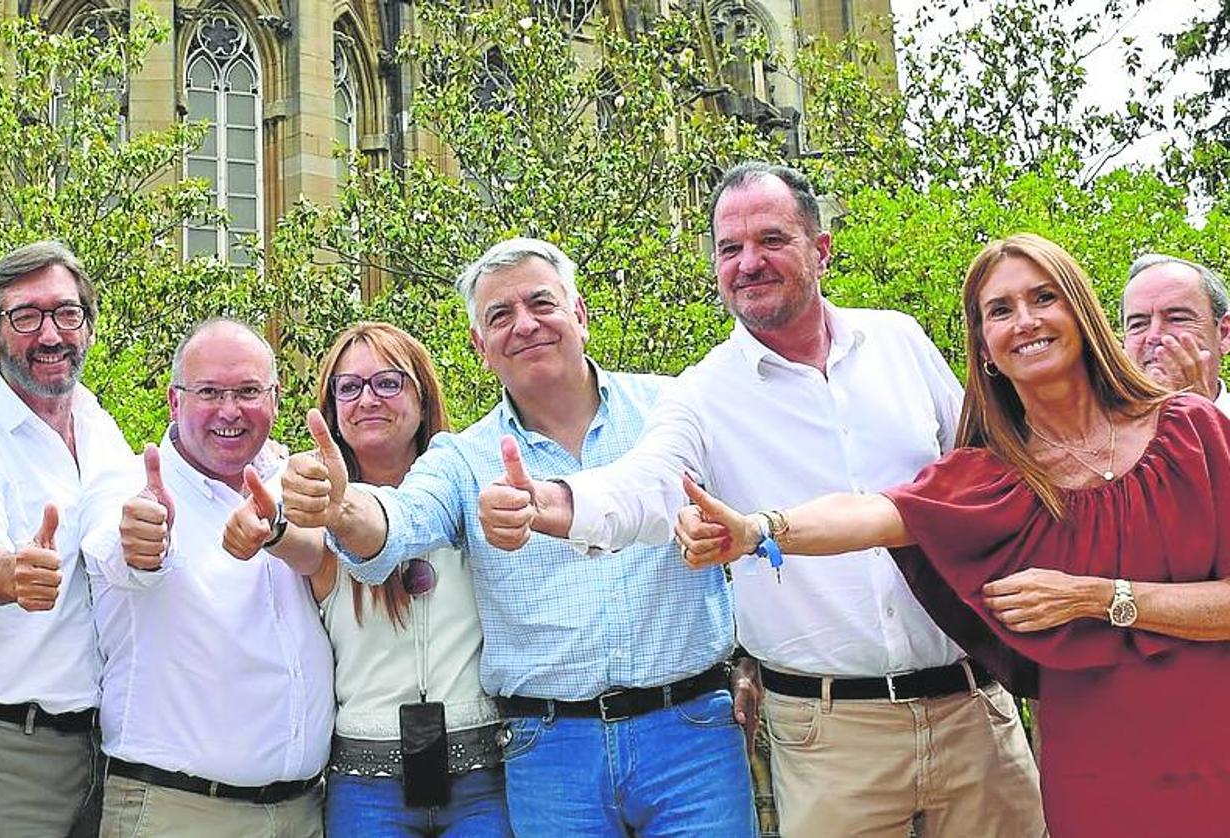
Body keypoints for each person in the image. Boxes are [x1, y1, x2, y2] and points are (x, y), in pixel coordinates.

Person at [483, 163, 1044, 836]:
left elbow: (981, 474)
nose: (748, 262)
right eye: (729, 248)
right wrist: (548, 502)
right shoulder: (704, 393)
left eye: (771, 240)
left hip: (973, 711)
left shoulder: (898, 341)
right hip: (832, 737)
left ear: (821, 249)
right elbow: (643, 486)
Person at [678, 232, 1230, 835]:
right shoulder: (994, 479)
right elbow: (870, 516)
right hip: (1098, 760)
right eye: (1000, 310)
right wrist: (760, 528)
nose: (1025, 321)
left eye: (1044, 298)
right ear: (986, 349)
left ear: (1082, 313)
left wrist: (1097, 597)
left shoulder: (1191, 431)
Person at [282, 239, 753, 836]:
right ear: (480, 348)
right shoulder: (464, 458)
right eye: (500, 316)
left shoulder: (674, 409)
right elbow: (402, 521)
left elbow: (757, 516)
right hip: (551, 750)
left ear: (580, 313)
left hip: (691, 734)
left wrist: (756, 656)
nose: (524, 325)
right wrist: (342, 508)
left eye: (541, 304)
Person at [223, 322, 510, 836]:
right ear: (332, 410)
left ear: (422, 396)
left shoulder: (473, 488)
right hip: (367, 784)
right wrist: (273, 528)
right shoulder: (317, 508)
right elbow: (305, 545)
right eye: (349, 388)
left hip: (480, 777)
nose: (368, 399)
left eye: (388, 382)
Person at [77, 318, 332, 838]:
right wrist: (143, 542)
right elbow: (121, 552)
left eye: (247, 392)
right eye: (209, 392)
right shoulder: (125, 482)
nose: (230, 410)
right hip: (179, 811)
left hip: (303, 813)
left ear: (276, 398)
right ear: (174, 401)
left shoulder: (295, 484)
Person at [0, 241, 132, 837]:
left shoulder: (97, 422)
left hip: (104, 750)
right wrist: (13, 574)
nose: (51, 334)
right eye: (26, 317)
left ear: (88, 328)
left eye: (67, 314)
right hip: (7, 750)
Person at [1120, 253, 1230, 412]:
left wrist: (1199, 414)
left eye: (1177, 319)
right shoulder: (1098, 430)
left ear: (1224, 333)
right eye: (1138, 324)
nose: (1154, 336)